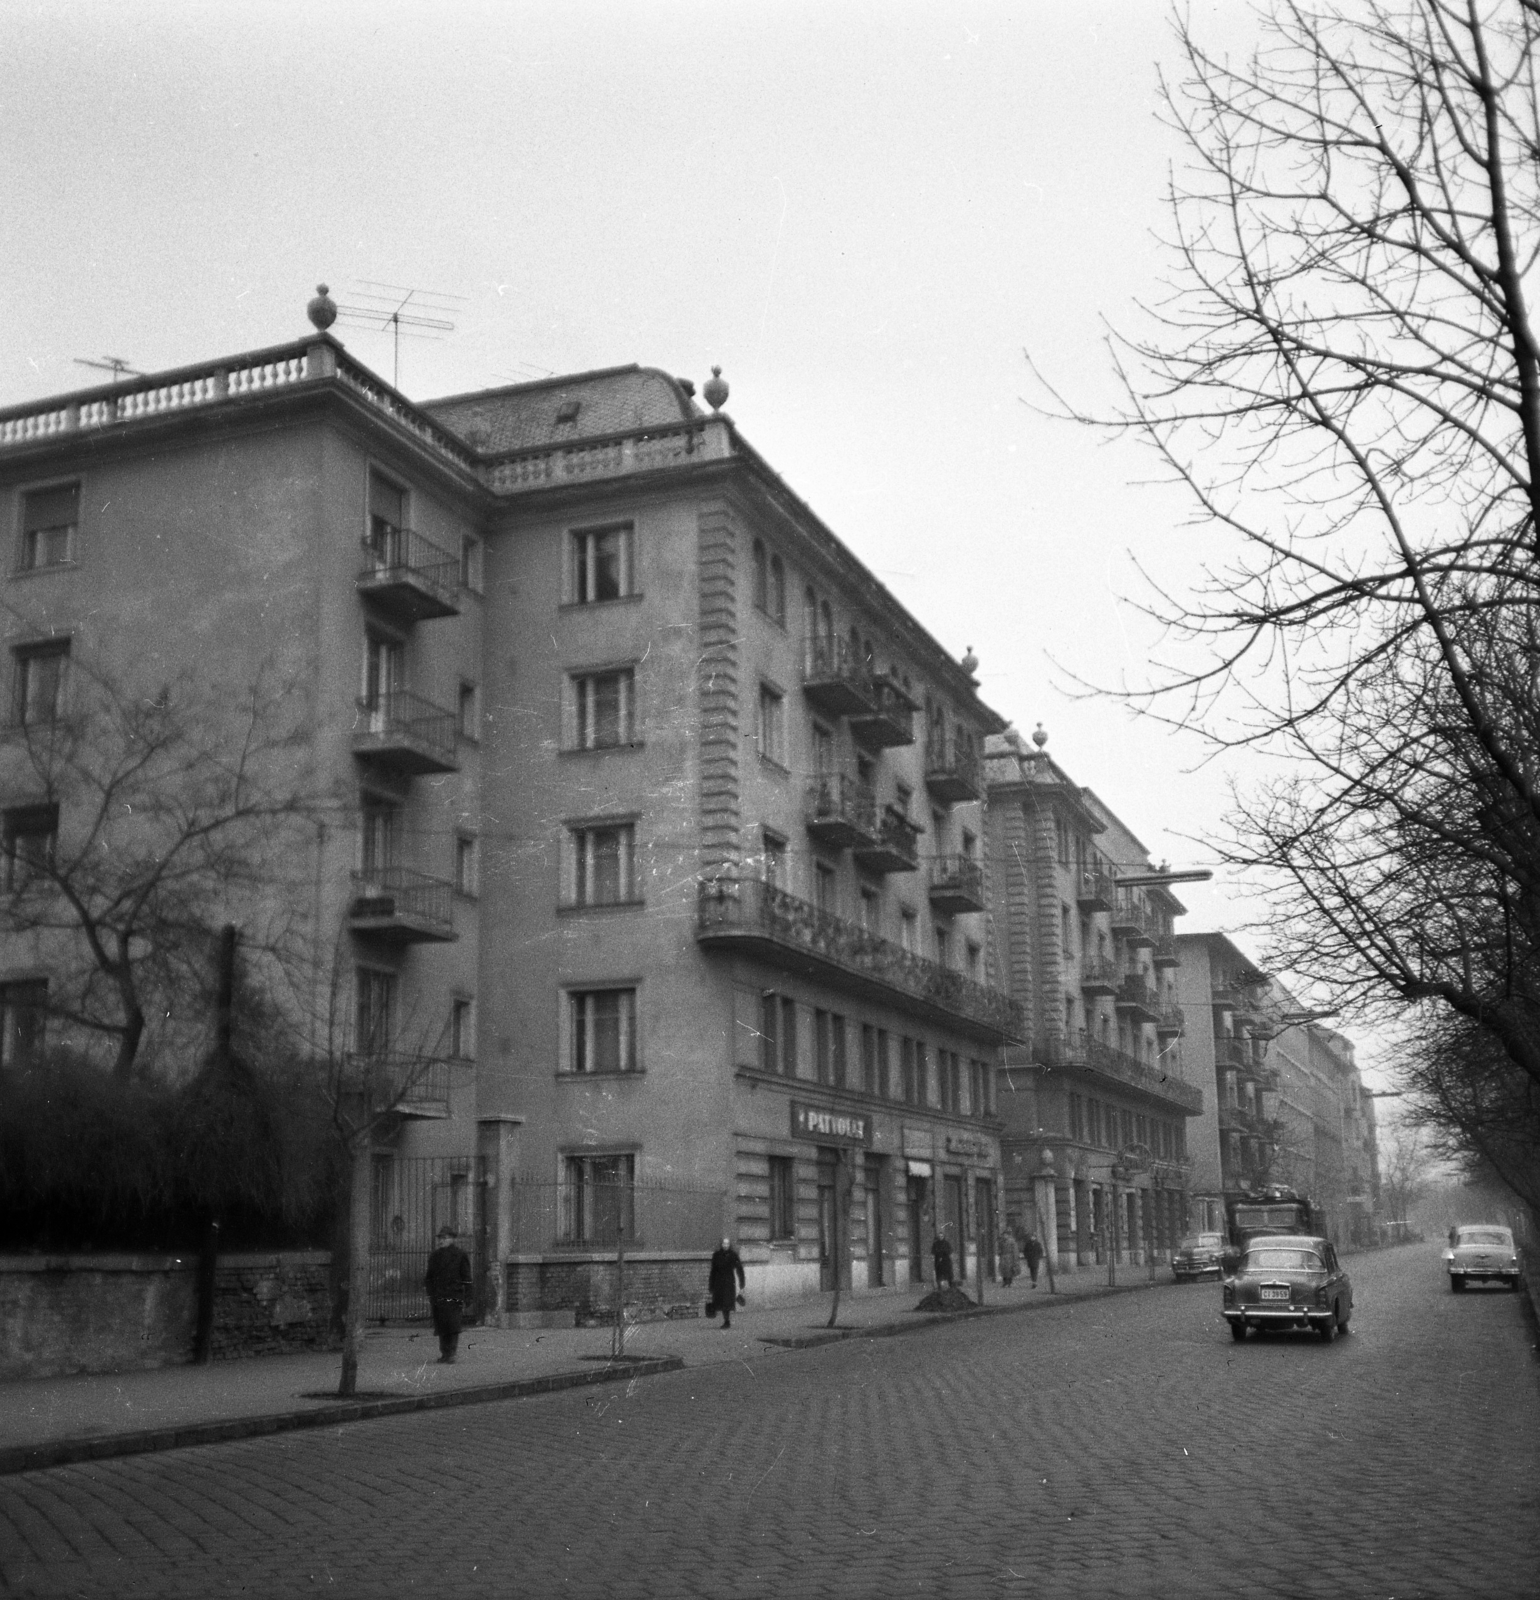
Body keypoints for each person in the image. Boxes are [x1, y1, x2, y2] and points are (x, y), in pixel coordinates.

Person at [424, 1223, 472, 1363]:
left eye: (445, 1238)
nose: (441, 1240)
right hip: (439, 1296)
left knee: (453, 1325)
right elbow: (429, 1278)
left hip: (454, 1295)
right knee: (441, 1326)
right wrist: (431, 1294)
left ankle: (451, 1352)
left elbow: (467, 1277)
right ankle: (444, 1353)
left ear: (452, 1239)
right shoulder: (435, 1256)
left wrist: (468, 1296)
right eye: (440, 1238)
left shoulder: (460, 1255)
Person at [707, 1237, 745, 1329]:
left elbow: (739, 1269)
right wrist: (711, 1285)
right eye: (724, 1244)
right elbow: (713, 1271)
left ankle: (727, 1321)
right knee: (719, 1301)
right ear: (721, 1244)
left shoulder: (733, 1255)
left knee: (726, 1303)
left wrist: (742, 1283)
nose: (725, 1245)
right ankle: (722, 1318)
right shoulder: (716, 1255)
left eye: (727, 1244)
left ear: (729, 1245)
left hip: (728, 1281)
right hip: (719, 1281)